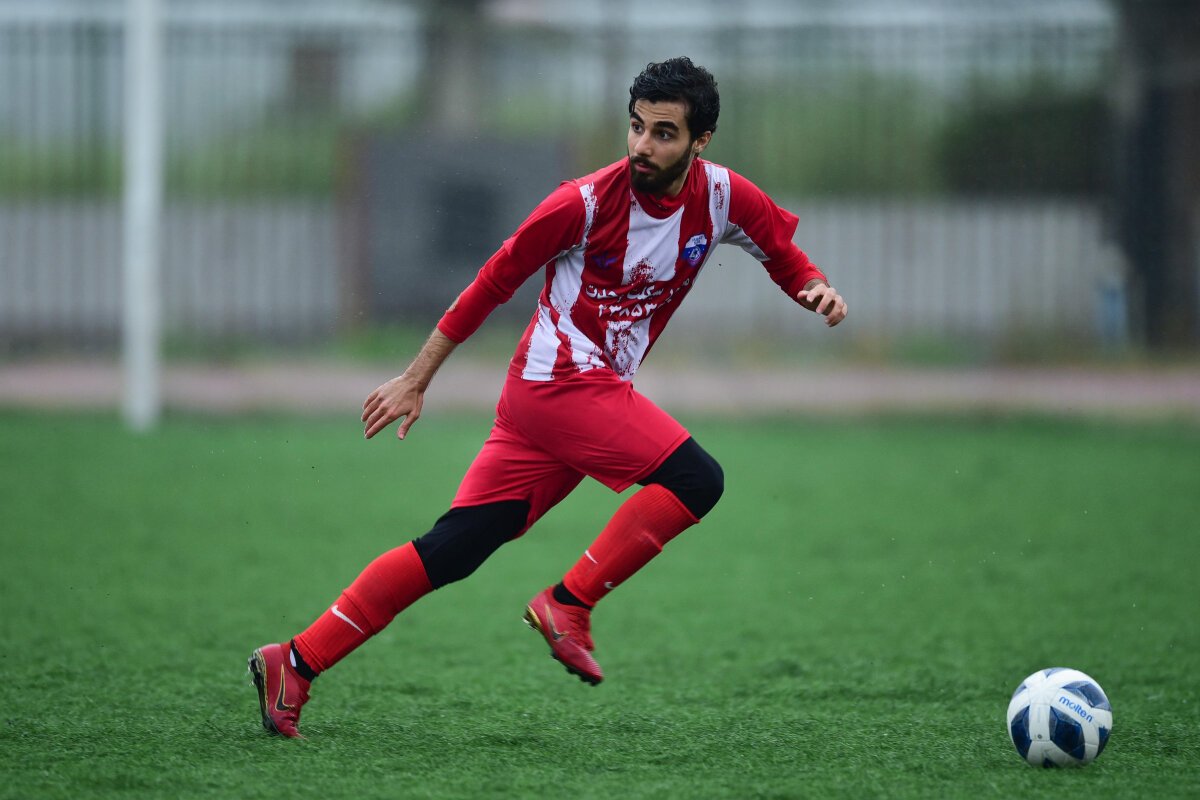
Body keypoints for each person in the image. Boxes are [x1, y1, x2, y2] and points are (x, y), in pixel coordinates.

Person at [249, 56, 847, 738]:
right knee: (696, 479)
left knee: (457, 546)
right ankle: (570, 603)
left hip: (564, 400)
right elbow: (493, 280)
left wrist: (814, 288)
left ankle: (295, 660)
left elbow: (781, 251)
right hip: (557, 384)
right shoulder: (582, 203)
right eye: (636, 127)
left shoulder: (723, 197)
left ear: (700, 140)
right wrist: (417, 377)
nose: (643, 145)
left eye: (664, 134)